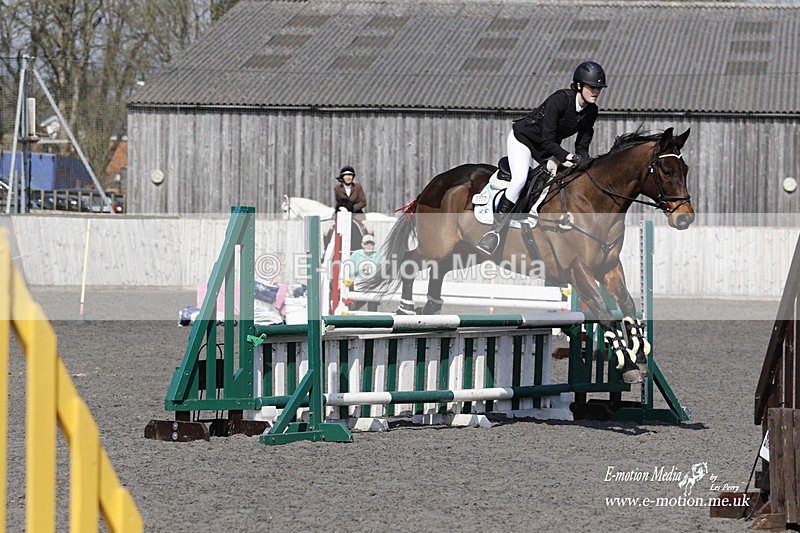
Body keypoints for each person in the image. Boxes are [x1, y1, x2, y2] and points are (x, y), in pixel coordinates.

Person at [476, 60, 607, 255]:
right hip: (524, 139)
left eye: (598, 88)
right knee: (520, 180)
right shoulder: (560, 100)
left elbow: (583, 144)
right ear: (579, 85)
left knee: (561, 180)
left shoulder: (592, 111)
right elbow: (547, 140)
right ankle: (494, 232)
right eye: (592, 87)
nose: (596, 91)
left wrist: (584, 160)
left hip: (547, 147)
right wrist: (567, 156)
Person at [348, 234, 382, 311]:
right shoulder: (355, 254)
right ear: (362, 245)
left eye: (371, 244)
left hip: (372, 284)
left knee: (373, 305)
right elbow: (349, 271)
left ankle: (373, 320)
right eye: (367, 244)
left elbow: (381, 271)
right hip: (357, 283)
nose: (369, 246)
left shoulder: (378, 255)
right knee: (353, 306)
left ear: (374, 245)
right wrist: (361, 269)